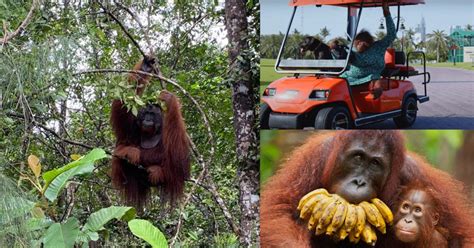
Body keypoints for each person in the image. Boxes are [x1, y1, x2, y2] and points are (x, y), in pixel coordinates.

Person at [341, 1, 396, 99]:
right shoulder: (351, 49)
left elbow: (391, 35)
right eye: (359, 42)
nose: (361, 45)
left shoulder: (378, 46)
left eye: (364, 42)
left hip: (372, 77)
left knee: (375, 83)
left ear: (369, 42)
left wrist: (386, 13)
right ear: (356, 41)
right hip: (350, 78)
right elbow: (338, 56)